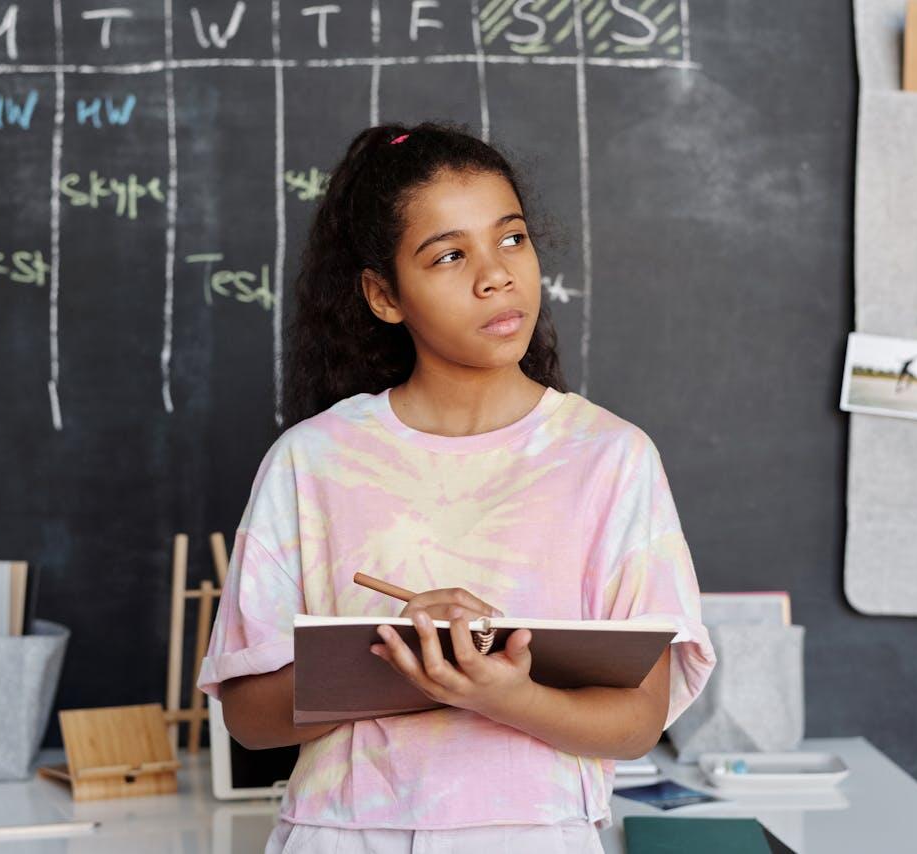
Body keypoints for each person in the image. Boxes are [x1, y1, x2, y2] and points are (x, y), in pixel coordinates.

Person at [197, 122, 716, 853]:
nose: (496, 275)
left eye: (512, 239)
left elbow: (638, 720)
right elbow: (249, 716)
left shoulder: (610, 458)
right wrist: (411, 667)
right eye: (449, 255)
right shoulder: (311, 462)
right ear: (384, 295)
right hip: (343, 836)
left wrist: (504, 693)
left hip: (534, 836)